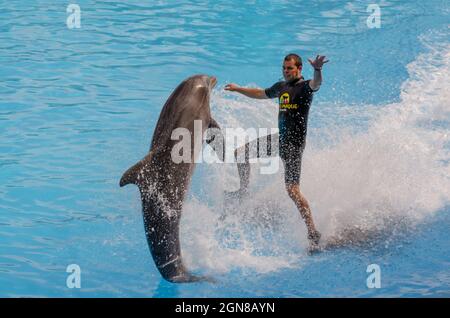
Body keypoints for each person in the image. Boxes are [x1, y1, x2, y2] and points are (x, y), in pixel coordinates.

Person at [224, 53, 328, 251]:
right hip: (280, 140)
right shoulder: (281, 87)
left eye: (290, 68)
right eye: (284, 68)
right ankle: (243, 190)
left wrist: (318, 69)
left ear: (299, 69)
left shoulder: (305, 88)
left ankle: (312, 231)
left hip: (294, 146)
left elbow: (317, 84)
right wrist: (238, 89)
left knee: (292, 191)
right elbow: (260, 93)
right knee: (241, 154)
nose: (286, 71)